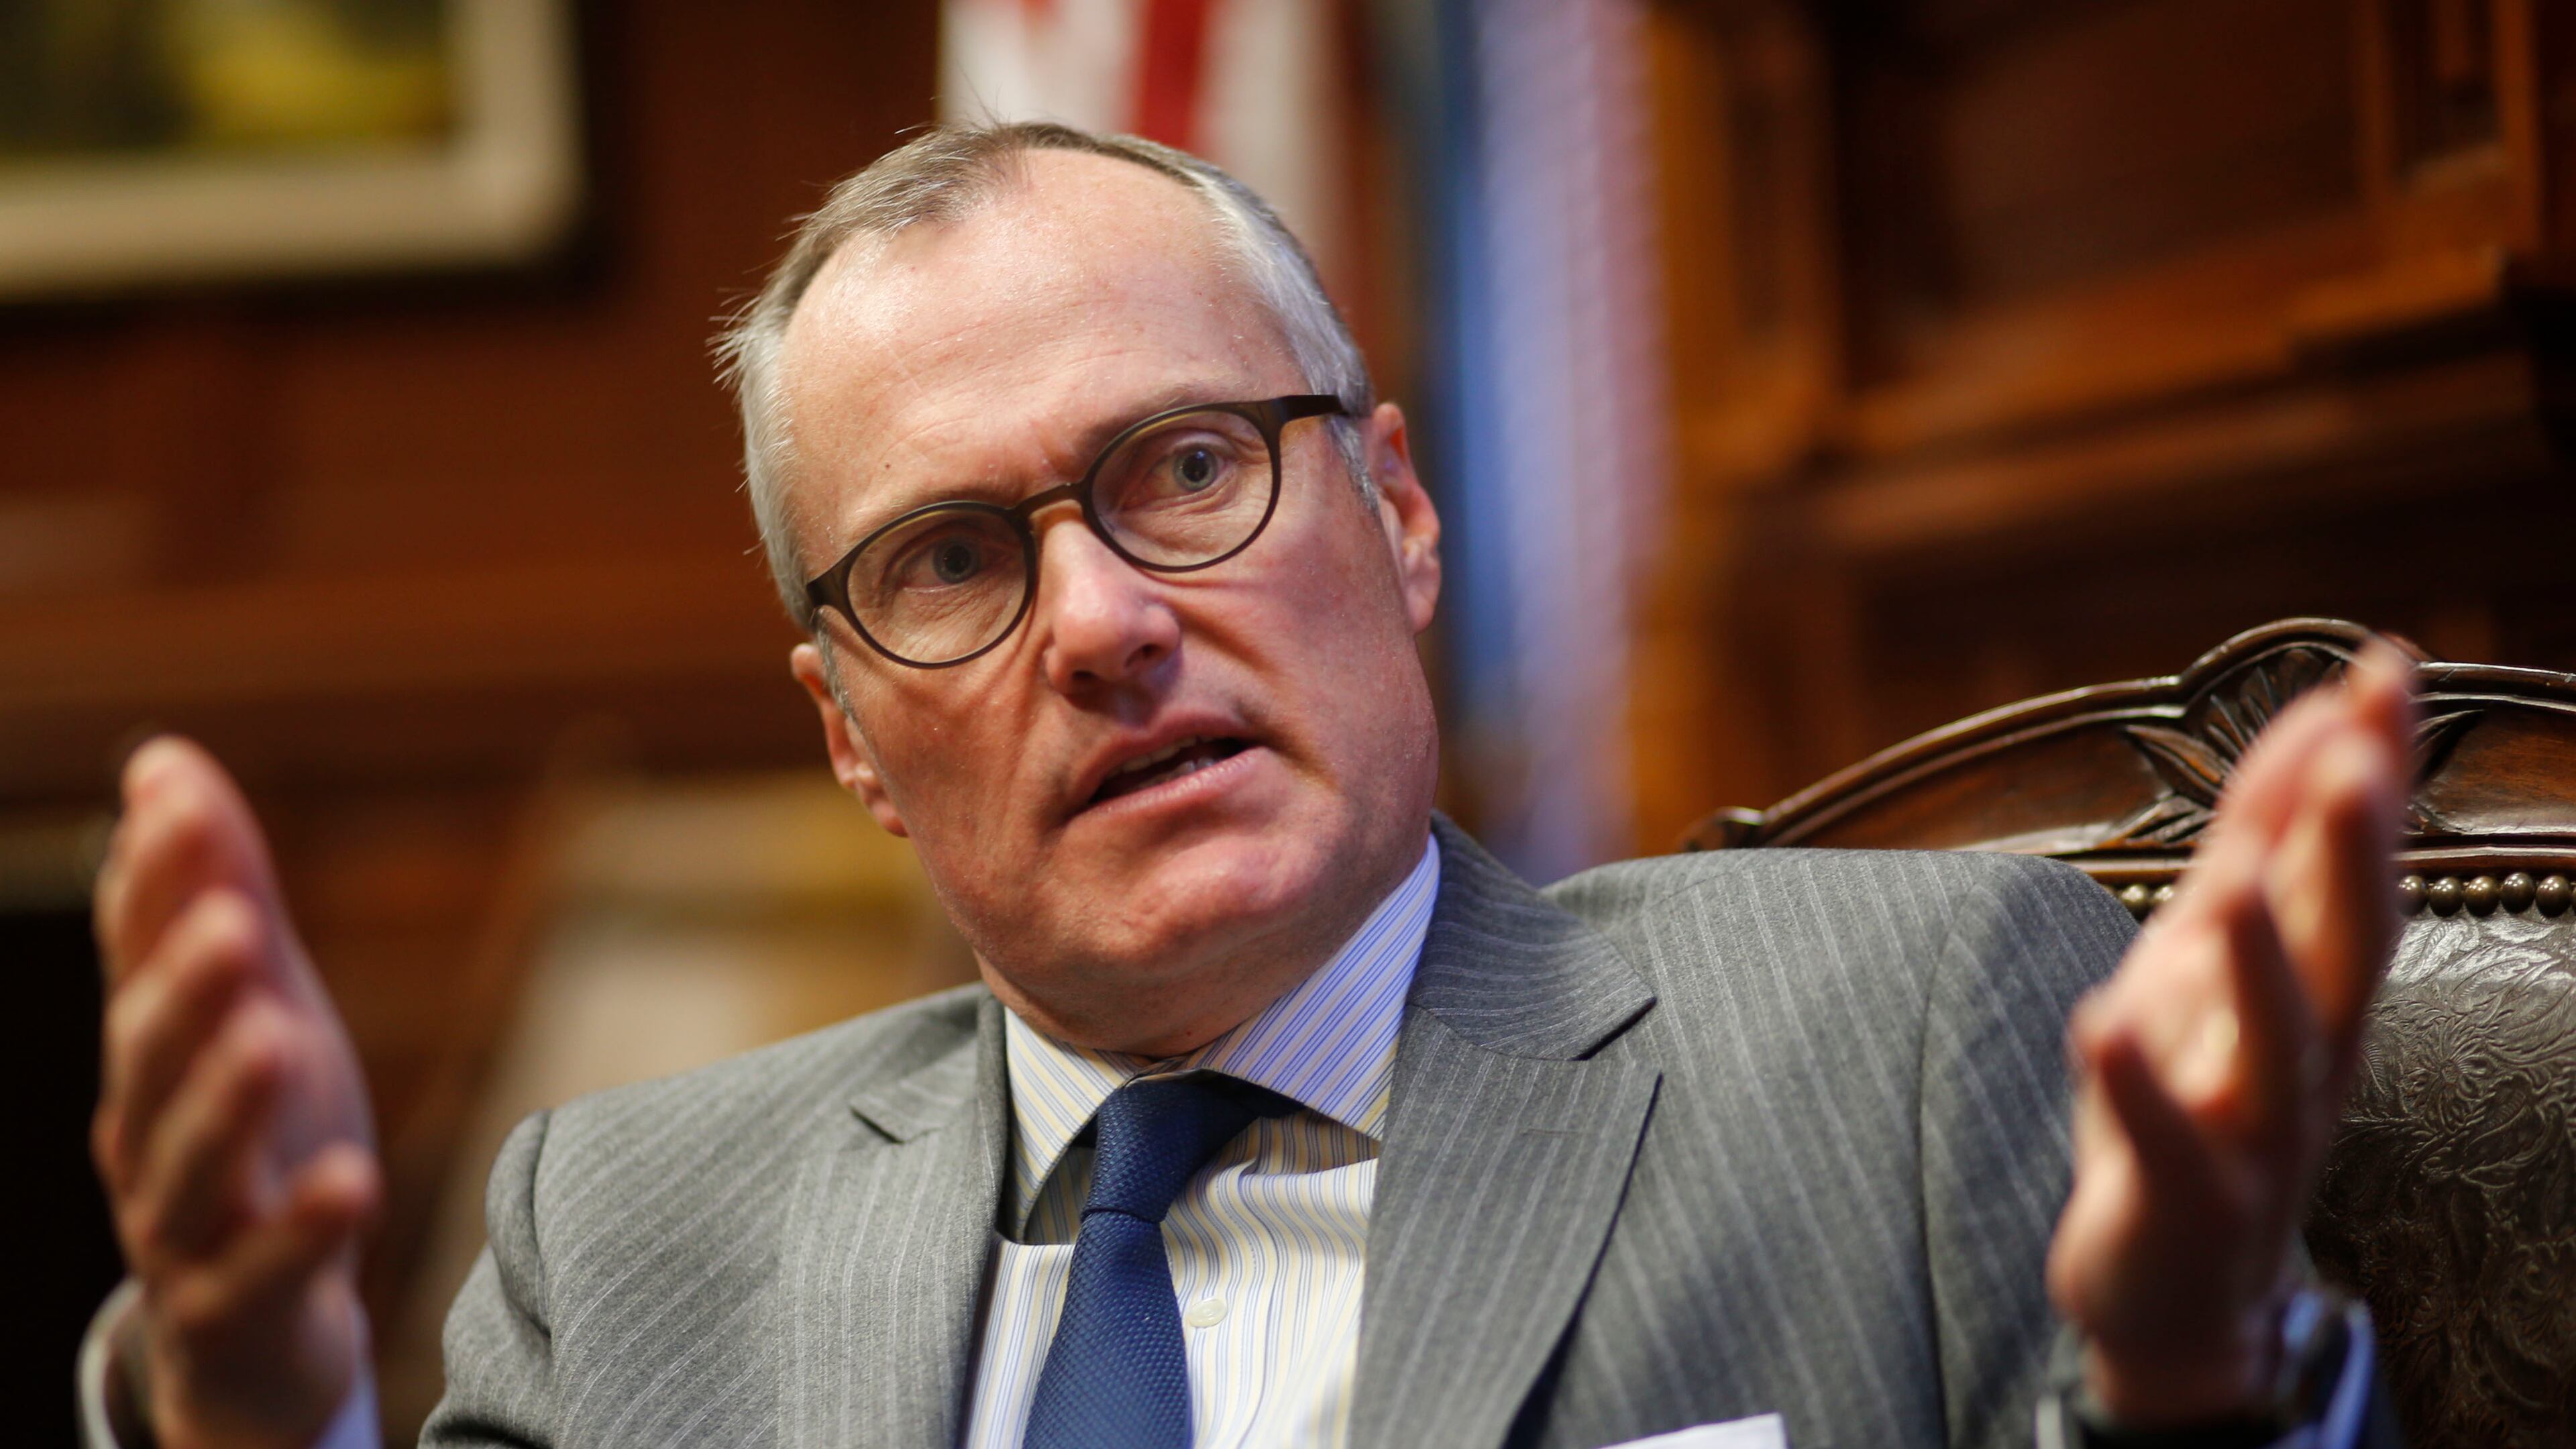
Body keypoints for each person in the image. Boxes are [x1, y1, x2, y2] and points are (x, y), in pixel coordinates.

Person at [83, 123, 2414, 1449]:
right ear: (846, 734)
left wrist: (2197, 1382)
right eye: (954, 559)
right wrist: (242, 1413)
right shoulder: (629, 1238)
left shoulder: (1901, 1038)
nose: (1099, 621)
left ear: (1396, 513)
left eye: (1188, 468)